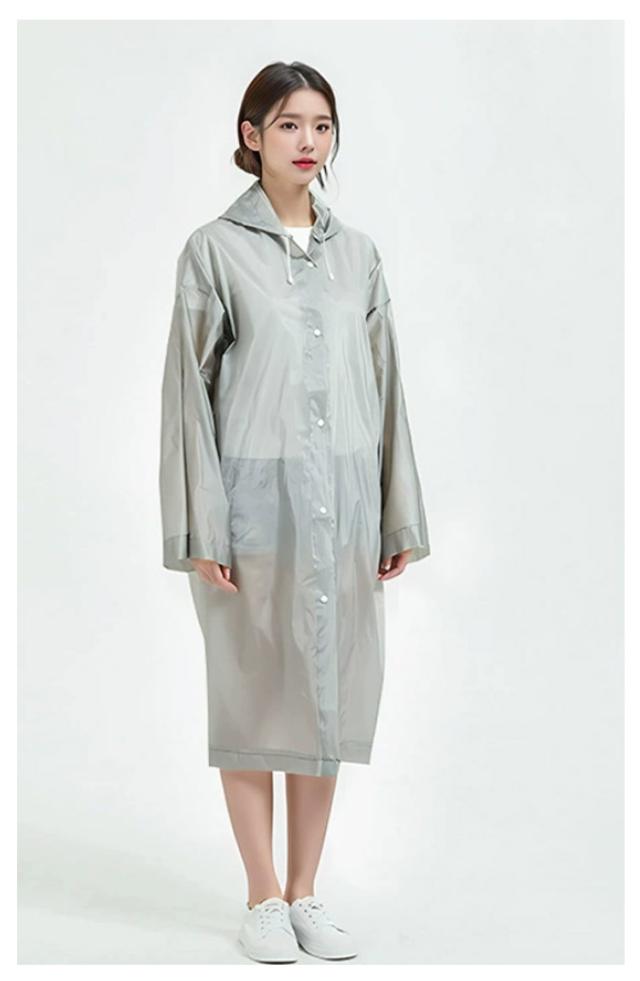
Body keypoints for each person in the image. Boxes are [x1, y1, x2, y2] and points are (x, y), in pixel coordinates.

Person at [159, 60, 431, 963]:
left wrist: (395, 514)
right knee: (250, 691)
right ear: (252, 136)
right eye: (287, 124)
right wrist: (200, 524)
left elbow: (386, 386)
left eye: (321, 125)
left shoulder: (358, 256)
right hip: (251, 503)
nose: (308, 141)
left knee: (324, 694)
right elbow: (188, 396)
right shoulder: (214, 250)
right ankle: (261, 895)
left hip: (344, 503)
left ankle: (307, 889)